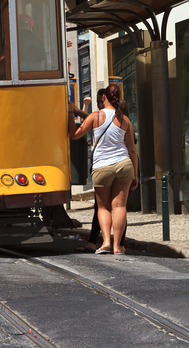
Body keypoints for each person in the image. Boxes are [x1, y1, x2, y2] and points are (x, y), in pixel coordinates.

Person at [70, 84, 138, 255]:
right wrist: (135, 174)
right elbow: (132, 150)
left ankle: (106, 242)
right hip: (124, 165)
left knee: (103, 208)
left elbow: (75, 134)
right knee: (120, 207)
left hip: (102, 167)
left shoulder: (95, 116)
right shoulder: (125, 120)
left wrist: (71, 113)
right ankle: (117, 247)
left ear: (104, 98)